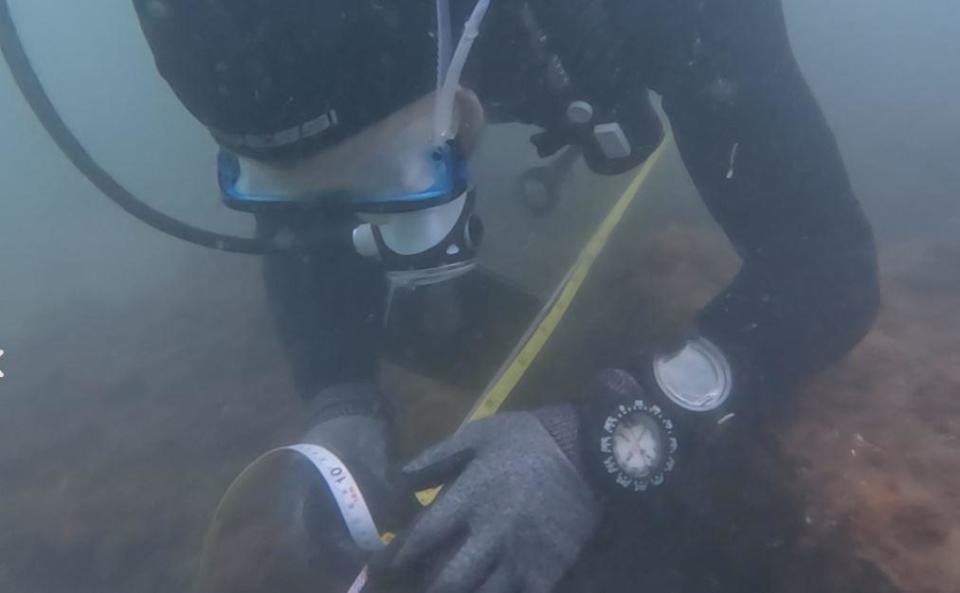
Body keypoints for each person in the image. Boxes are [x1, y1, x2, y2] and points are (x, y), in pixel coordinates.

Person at [134, 1, 881, 592]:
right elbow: (302, 178)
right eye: (281, 188)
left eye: (396, 181)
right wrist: (339, 394)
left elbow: (826, 267)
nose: (360, 237)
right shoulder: (261, 53)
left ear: (461, 106)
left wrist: (604, 442)